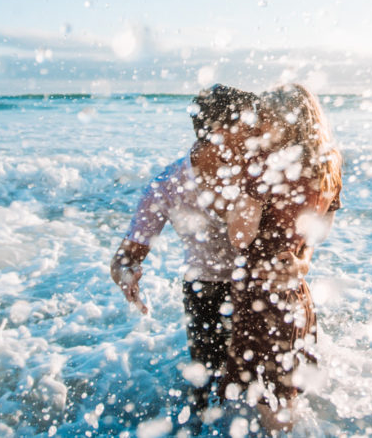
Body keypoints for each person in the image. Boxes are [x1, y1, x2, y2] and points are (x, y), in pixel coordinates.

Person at [109, 84, 259, 414]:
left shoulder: (256, 170)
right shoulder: (168, 185)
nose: (255, 135)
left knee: (259, 392)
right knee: (206, 391)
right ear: (221, 132)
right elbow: (124, 258)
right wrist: (126, 275)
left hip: (259, 287)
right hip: (205, 292)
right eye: (248, 127)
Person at [221, 84, 343, 433]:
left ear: (287, 121)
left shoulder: (267, 166)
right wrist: (301, 263)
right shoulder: (328, 164)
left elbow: (239, 236)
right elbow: (320, 230)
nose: (259, 126)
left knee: (270, 401)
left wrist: (239, 186)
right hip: (295, 292)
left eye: (266, 118)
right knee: (286, 393)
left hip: (261, 295)